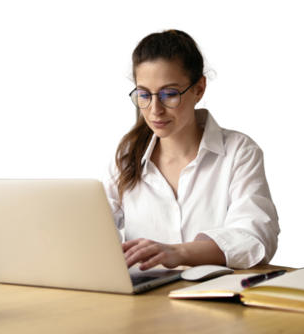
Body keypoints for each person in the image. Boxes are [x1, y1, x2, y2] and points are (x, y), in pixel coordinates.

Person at [100, 26, 280, 270]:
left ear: (199, 88)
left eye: (169, 94)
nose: (155, 110)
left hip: (215, 300)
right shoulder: (126, 152)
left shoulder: (240, 151)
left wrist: (177, 253)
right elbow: (93, 227)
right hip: (144, 301)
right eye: (144, 95)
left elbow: (256, 239)